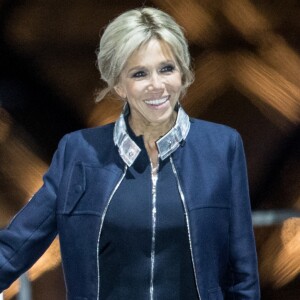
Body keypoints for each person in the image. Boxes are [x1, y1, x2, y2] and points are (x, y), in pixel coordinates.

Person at [0, 7, 260, 300]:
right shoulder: (79, 153)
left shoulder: (221, 147)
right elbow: (17, 247)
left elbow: (242, 268)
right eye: (139, 73)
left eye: (166, 68)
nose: (156, 85)